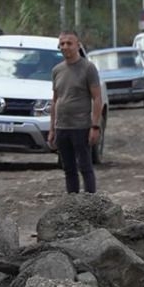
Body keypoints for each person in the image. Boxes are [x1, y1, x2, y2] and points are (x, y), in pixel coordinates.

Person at [47, 30, 104, 194]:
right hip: (62, 127)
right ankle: (72, 205)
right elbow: (55, 100)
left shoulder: (88, 68)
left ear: (78, 45)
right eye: (62, 44)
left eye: (69, 43)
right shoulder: (57, 70)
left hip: (81, 127)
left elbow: (97, 98)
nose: (65, 47)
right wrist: (52, 129)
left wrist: (95, 126)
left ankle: (91, 203)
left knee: (85, 167)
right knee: (68, 169)